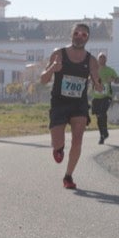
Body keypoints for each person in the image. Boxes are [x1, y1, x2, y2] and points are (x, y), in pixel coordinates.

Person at [40, 22, 103, 190]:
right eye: (77, 33)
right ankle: (58, 149)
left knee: (77, 140)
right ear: (71, 35)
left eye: (84, 34)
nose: (79, 37)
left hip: (79, 104)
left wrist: (98, 83)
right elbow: (43, 80)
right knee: (58, 145)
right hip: (59, 103)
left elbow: (98, 83)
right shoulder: (58, 54)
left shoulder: (91, 60)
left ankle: (68, 176)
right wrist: (53, 68)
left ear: (88, 38)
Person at [91, 50, 119, 144]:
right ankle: (103, 133)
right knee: (98, 116)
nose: (102, 60)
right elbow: (88, 78)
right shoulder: (94, 70)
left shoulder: (110, 70)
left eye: (104, 58)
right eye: (100, 58)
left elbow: (118, 80)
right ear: (98, 59)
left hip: (107, 95)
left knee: (103, 112)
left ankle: (103, 134)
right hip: (96, 96)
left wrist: (113, 79)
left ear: (106, 60)